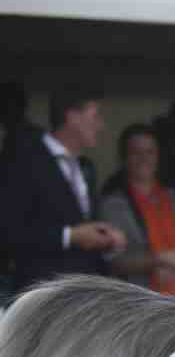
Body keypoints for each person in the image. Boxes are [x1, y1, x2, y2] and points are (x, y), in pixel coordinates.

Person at [0, 86, 126, 294]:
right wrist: (69, 236)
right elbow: (8, 233)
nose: (101, 125)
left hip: (82, 296)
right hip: (41, 297)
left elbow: (80, 227)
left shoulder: (85, 167)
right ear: (72, 117)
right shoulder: (23, 160)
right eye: (95, 116)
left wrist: (105, 240)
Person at [100, 124, 175, 299]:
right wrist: (159, 261)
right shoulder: (113, 204)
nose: (144, 158)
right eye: (136, 152)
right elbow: (113, 261)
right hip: (141, 305)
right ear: (123, 158)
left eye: (150, 152)